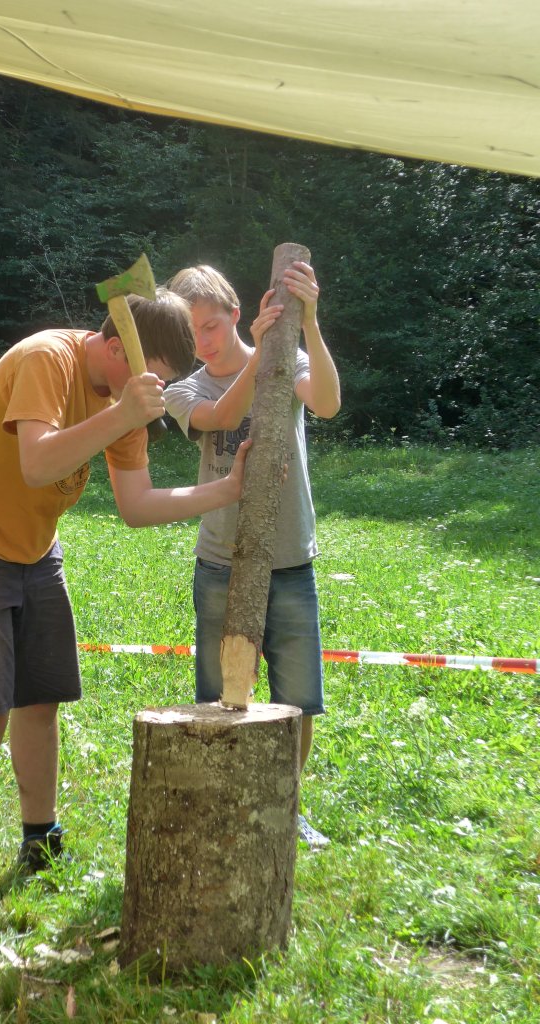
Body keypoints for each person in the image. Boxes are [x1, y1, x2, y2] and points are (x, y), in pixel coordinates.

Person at [0, 289, 250, 912]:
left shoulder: (126, 399)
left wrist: (227, 489)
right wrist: (122, 413)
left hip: (34, 547)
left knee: (41, 698)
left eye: (165, 381)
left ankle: (40, 840)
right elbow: (37, 464)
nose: (158, 391)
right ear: (114, 348)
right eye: (155, 375)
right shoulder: (48, 359)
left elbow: (137, 505)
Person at [163, 262, 340, 848]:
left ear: (236, 314)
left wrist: (308, 324)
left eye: (211, 326)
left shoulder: (286, 359)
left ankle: (286, 808)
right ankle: (221, 802)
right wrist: (260, 355)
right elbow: (221, 417)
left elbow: (327, 403)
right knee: (219, 696)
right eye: (191, 333)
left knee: (298, 700)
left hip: (289, 556)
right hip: (220, 558)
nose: (203, 342)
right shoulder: (184, 389)